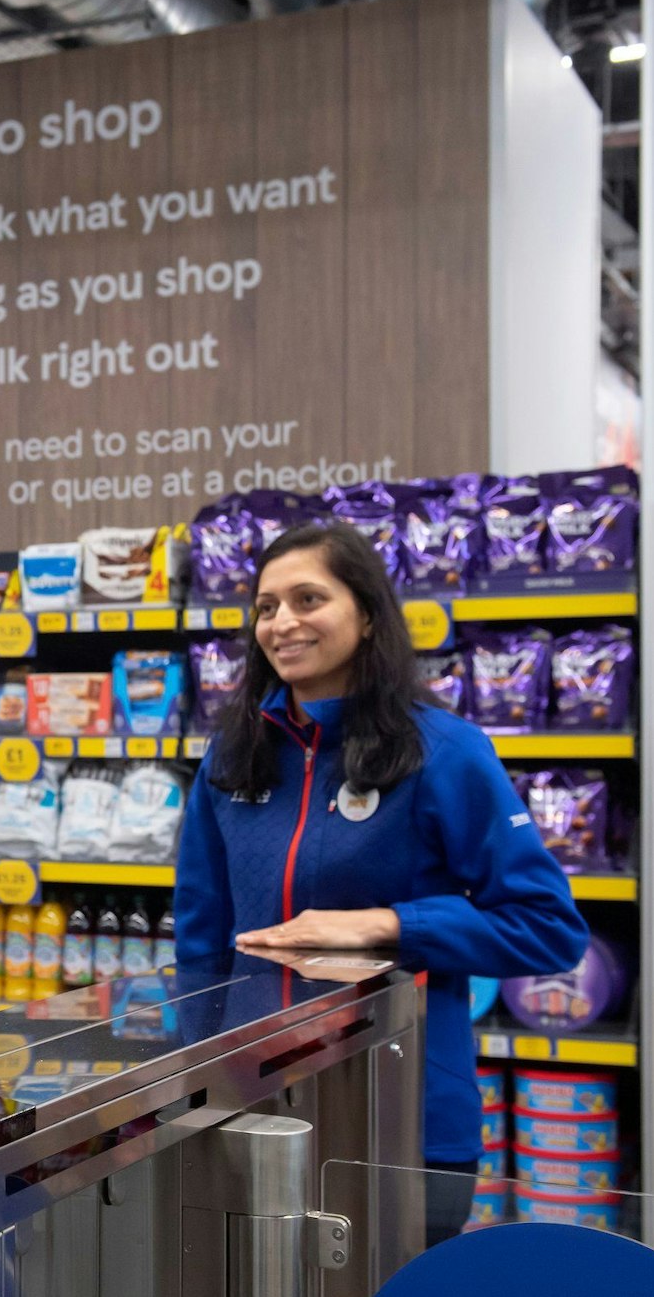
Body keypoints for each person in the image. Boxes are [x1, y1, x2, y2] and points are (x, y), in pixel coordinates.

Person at [173, 520, 588, 1247]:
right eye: (266, 607)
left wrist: (387, 924)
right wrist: (196, 1087)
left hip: (403, 1122)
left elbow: (548, 927)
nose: (283, 623)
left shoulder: (443, 752)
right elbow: (201, 939)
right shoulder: (232, 757)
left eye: (308, 599)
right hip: (253, 1114)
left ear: (366, 615)